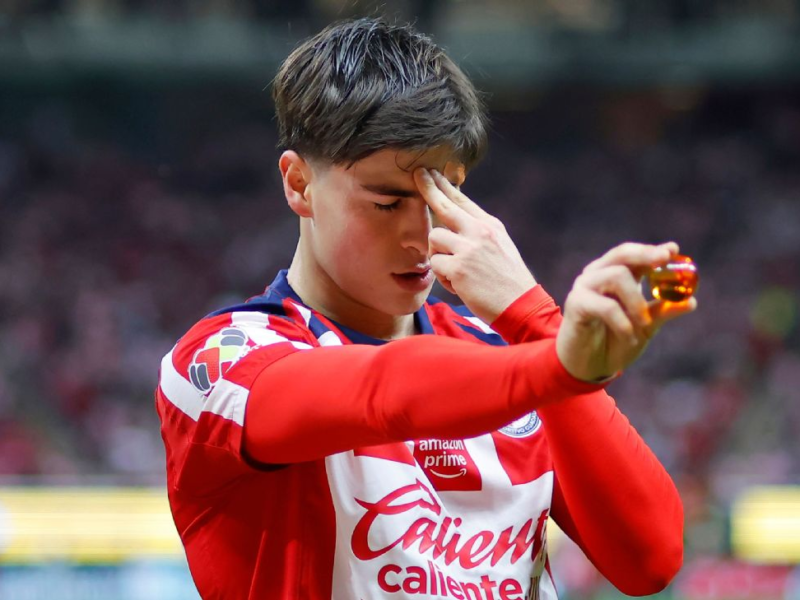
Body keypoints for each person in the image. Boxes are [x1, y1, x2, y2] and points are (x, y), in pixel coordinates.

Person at [156, 17, 697, 600]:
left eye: (446, 194)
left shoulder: (511, 352)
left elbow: (649, 559)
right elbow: (383, 391)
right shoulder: (221, 360)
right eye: (388, 203)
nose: (424, 237)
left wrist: (536, 320)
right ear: (299, 184)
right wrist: (558, 360)